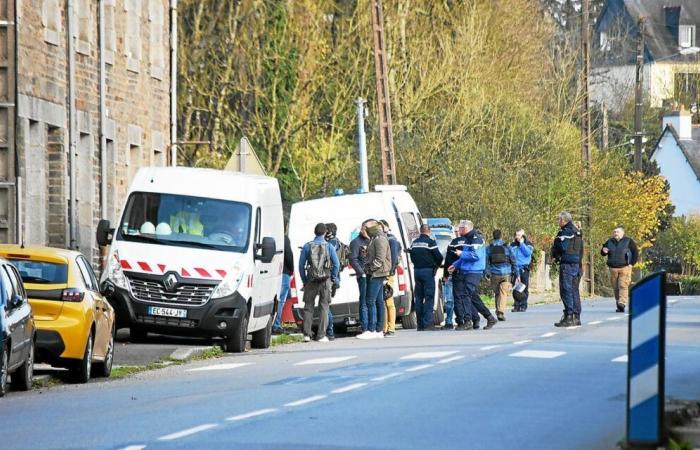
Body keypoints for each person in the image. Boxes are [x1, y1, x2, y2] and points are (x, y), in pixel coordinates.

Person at [448, 220, 497, 330]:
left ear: (465, 229)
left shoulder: (476, 239)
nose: (457, 230)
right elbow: (464, 258)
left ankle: (468, 321)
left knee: (465, 294)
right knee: (473, 297)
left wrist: (462, 253)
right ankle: (490, 317)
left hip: (474, 271)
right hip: (467, 270)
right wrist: (455, 265)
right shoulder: (467, 239)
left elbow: (476, 256)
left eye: (459, 228)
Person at [299, 223, 340, 342]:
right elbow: (336, 264)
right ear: (325, 232)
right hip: (325, 280)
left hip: (311, 280)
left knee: (308, 307)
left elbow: (301, 265)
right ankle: (321, 335)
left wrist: (305, 280)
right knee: (324, 307)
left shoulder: (307, 246)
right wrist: (332, 277)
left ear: (314, 232)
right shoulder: (329, 246)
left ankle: (307, 334)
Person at [357, 220, 392, 340]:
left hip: (377, 273)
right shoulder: (375, 238)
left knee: (370, 301)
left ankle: (372, 330)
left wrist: (370, 269)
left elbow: (380, 258)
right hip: (377, 272)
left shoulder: (379, 239)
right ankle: (378, 329)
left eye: (366, 228)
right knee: (378, 301)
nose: (364, 230)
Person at [551, 211, 584, 327]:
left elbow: (563, 247)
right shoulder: (577, 232)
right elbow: (581, 250)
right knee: (574, 290)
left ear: (563, 220)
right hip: (576, 264)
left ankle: (569, 316)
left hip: (567, 264)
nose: (558, 222)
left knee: (566, 290)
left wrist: (556, 243)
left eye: (559, 219)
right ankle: (576, 316)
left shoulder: (565, 231)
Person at [409, 224, 444, 331]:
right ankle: (428, 323)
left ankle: (420, 325)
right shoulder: (430, 242)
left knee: (419, 298)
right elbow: (439, 257)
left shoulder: (414, 243)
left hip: (417, 271)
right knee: (429, 298)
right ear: (429, 231)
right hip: (428, 271)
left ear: (420, 231)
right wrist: (436, 265)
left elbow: (411, 255)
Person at [601, 226, 639, 313]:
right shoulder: (609, 241)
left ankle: (622, 303)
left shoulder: (629, 241)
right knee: (615, 287)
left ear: (622, 233)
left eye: (617, 232)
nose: (615, 233)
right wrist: (603, 251)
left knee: (623, 285)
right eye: (614, 232)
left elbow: (635, 253)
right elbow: (603, 252)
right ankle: (619, 304)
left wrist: (631, 264)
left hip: (625, 267)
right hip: (612, 269)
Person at [443, 223, 470, 329]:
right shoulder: (469, 242)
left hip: (454, 272)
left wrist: (446, 274)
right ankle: (469, 319)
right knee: (466, 296)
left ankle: (450, 322)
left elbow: (448, 260)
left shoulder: (453, 243)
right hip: (468, 273)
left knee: (451, 299)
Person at [325, 223, 349, 340]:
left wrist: (334, 278)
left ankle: (329, 332)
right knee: (326, 304)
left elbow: (332, 261)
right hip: (333, 276)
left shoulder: (332, 243)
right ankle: (328, 331)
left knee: (325, 304)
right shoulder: (336, 241)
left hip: (330, 276)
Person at [486, 229, 516, 321]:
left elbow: (486, 261)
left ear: (493, 236)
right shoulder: (507, 246)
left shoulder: (489, 247)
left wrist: (486, 272)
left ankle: (498, 310)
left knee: (497, 293)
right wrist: (516, 272)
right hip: (506, 273)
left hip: (494, 273)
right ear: (501, 236)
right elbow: (513, 260)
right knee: (503, 293)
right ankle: (500, 312)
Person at [380, 219, 402, 337]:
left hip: (388, 274)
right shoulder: (381, 239)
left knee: (388, 300)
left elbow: (393, 258)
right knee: (383, 301)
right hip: (381, 273)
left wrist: (390, 271)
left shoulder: (391, 240)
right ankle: (384, 328)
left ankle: (391, 328)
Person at [349, 220, 372, 334]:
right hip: (363, 275)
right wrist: (361, 272)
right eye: (364, 228)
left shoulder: (372, 240)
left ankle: (374, 326)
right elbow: (353, 259)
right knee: (364, 301)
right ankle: (365, 327)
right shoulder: (355, 242)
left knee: (372, 301)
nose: (365, 231)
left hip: (373, 274)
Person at [272, 235, 294, 334]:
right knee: (280, 300)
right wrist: (291, 270)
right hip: (283, 272)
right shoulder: (283, 238)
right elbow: (288, 255)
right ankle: (276, 325)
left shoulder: (266, 234)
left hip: (268, 271)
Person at [510, 229, 534, 312]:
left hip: (524, 269)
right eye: (516, 235)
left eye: (519, 235)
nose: (517, 237)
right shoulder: (512, 245)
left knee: (524, 288)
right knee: (516, 288)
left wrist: (522, 244)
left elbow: (527, 253)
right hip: (515, 269)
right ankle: (516, 305)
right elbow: (510, 255)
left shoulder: (528, 244)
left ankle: (523, 305)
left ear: (523, 236)